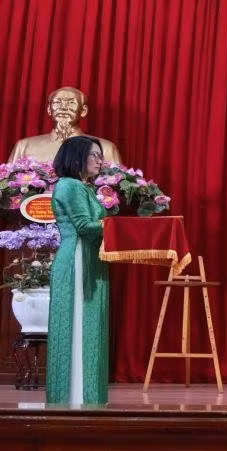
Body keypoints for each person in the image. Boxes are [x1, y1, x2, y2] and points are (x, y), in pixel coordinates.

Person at [46, 136, 109, 405]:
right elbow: (84, 227)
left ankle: (87, 397)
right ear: (77, 157)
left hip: (89, 258)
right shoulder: (70, 185)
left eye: (100, 155)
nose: (100, 161)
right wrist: (116, 227)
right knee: (78, 325)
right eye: (94, 155)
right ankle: (75, 398)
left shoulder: (82, 187)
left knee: (90, 325)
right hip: (77, 260)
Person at [9, 87, 122, 164]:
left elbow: (117, 193)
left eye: (71, 103)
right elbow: (5, 188)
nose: (63, 107)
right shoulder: (24, 146)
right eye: (57, 102)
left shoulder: (105, 148)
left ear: (83, 111)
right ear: (49, 109)